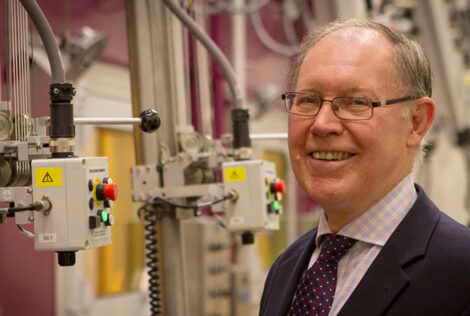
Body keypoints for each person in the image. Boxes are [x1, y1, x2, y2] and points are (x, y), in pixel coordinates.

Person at [259, 18, 470, 316]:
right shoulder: (285, 269)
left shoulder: (460, 274)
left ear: (416, 122)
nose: (321, 124)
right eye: (308, 100)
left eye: (356, 102)